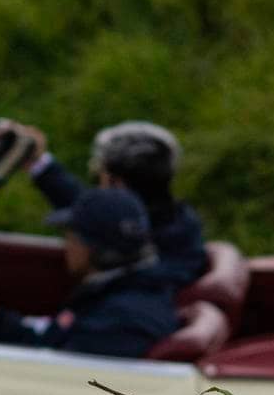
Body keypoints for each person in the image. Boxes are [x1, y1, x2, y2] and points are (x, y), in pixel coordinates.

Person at [0, 187, 180, 358]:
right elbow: (51, 341)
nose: (67, 247)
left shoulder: (122, 320)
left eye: (73, 239)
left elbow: (47, 371)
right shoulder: (120, 296)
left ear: (98, 250)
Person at [25, 121, 208, 289]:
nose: (99, 186)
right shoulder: (176, 224)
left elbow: (94, 213)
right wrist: (38, 163)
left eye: (101, 176)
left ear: (116, 183)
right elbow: (91, 210)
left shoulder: (142, 260)